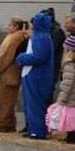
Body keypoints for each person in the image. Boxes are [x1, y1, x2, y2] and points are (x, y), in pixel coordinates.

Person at [15, 12, 55, 140]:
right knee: (29, 103)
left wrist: (21, 57)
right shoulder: (39, 36)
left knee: (35, 104)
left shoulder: (41, 38)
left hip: (36, 75)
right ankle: (32, 128)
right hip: (30, 74)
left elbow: (39, 56)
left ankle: (38, 130)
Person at [46, 35, 75, 144]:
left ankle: (72, 137)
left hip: (70, 95)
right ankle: (73, 136)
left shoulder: (70, 64)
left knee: (68, 117)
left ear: (67, 49)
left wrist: (62, 98)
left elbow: (68, 83)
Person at [0, 17, 27, 132]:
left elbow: (8, 55)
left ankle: (1, 124)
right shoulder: (14, 36)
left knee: (4, 99)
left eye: (10, 25)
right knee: (9, 99)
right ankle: (9, 123)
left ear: (16, 26)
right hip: (11, 72)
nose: (8, 26)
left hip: (9, 72)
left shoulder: (16, 37)